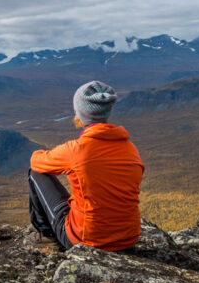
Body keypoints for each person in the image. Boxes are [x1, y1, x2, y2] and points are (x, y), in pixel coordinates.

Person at [28, 80, 144, 251]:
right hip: (128, 238)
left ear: (80, 114)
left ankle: (47, 238)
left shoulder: (76, 149)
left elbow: (36, 161)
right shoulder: (130, 148)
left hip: (87, 239)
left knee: (36, 173)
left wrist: (57, 156)